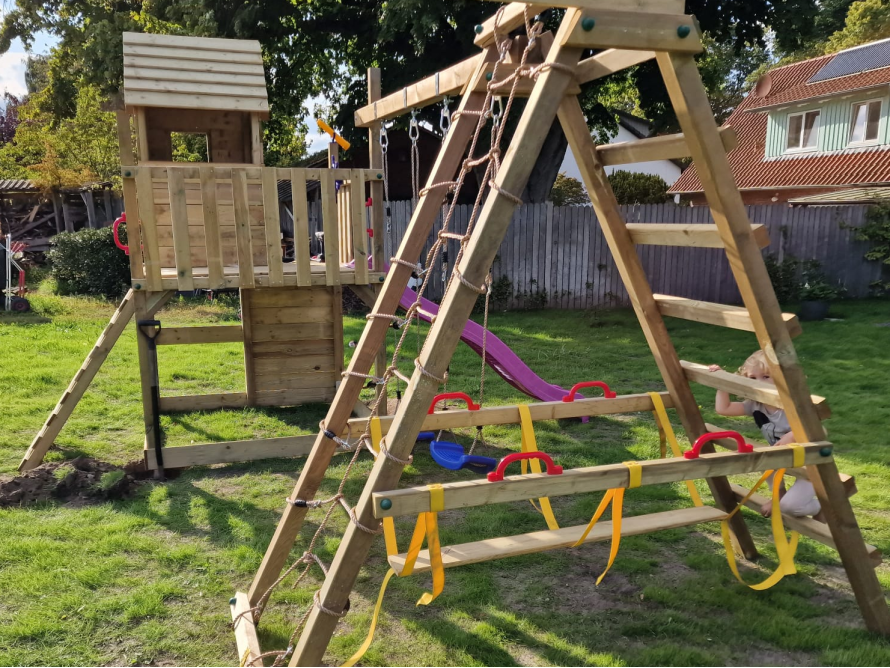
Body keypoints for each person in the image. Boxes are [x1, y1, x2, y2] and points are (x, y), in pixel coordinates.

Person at [709, 350, 821, 519]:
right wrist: (722, 383)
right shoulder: (756, 404)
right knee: (764, 456)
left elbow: (820, 431)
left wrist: (792, 435)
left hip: (812, 464)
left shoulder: (793, 404)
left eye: (766, 377)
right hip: (782, 458)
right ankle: (779, 494)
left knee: (790, 508)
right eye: (753, 378)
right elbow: (724, 409)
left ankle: (822, 507)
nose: (759, 383)